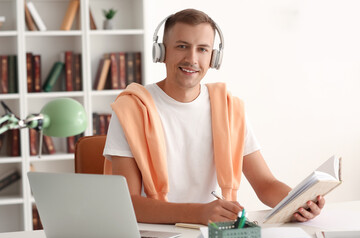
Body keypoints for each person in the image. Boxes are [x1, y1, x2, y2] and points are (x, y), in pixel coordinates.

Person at [103, 8, 325, 225]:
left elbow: (265, 184)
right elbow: (128, 203)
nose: (192, 58)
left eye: (202, 49)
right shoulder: (131, 109)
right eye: (182, 46)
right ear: (162, 52)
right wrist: (199, 213)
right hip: (158, 233)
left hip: (214, 231)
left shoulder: (228, 109)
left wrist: (297, 202)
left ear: (214, 58)